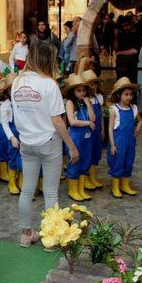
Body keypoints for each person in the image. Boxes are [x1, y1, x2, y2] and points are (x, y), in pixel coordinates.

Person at [11, 41, 79, 247]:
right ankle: (52, 238)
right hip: (48, 142)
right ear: (47, 60)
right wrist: (72, 146)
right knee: (50, 192)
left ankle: (26, 234)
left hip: (27, 142)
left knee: (27, 190)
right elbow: (57, 120)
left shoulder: (16, 82)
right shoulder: (49, 84)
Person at [107, 77, 142, 198]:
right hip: (118, 142)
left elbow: (140, 121)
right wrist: (112, 144)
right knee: (118, 162)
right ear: (119, 95)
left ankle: (125, 185)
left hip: (130, 141)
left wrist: (138, 127)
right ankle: (115, 187)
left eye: (131, 94)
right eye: (126, 94)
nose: (129, 97)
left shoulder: (133, 108)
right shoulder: (114, 110)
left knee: (128, 161)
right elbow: (110, 128)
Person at [63, 73, 95, 202]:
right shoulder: (70, 103)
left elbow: (93, 118)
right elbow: (72, 121)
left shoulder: (86, 103)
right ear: (73, 91)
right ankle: (73, 190)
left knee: (85, 161)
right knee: (74, 161)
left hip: (87, 137)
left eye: (84, 90)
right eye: (79, 90)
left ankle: (81, 189)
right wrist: (88, 123)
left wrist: (88, 105)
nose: (82, 93)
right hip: (75, 136)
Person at [0, 73, 21, 194]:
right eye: (12, 89)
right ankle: (12, 183)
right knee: (12, 157)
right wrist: (12, 137)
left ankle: (20, 181)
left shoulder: (20, 102)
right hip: (12, 131)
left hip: (21, 130)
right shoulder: (5, 104)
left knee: (21, 157)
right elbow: (4, 123)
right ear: (7, 91)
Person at [82, 69, 104, 190]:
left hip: (96, 130)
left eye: (94, 83)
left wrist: (102, 129)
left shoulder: (98, 98)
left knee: (95, 152)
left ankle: (93, 177)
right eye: (90, 84)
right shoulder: (84, 101)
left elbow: (100, 113)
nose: (93, 86)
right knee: (87, 153)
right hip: (87, 130)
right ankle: (84, 178)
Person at [114, 16, 141, 83]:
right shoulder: (121, 33)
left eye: (126, 25)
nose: (125, 28)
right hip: (120, 64)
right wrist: (116, 37)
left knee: (131, 84)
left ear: (131, 24)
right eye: (123, 26)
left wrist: (121, 52)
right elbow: (116, 49)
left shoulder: (137, 34)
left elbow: (135, 51)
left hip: (131, 65)